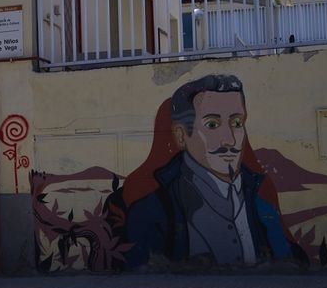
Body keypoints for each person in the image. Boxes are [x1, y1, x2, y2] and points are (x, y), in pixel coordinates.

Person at [122, 74, 306, 269]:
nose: (229, 140)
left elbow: (292, 260)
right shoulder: (152, 211)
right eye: (212, 125)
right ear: (181, 135)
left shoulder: (260, 200)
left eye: (237, 123)